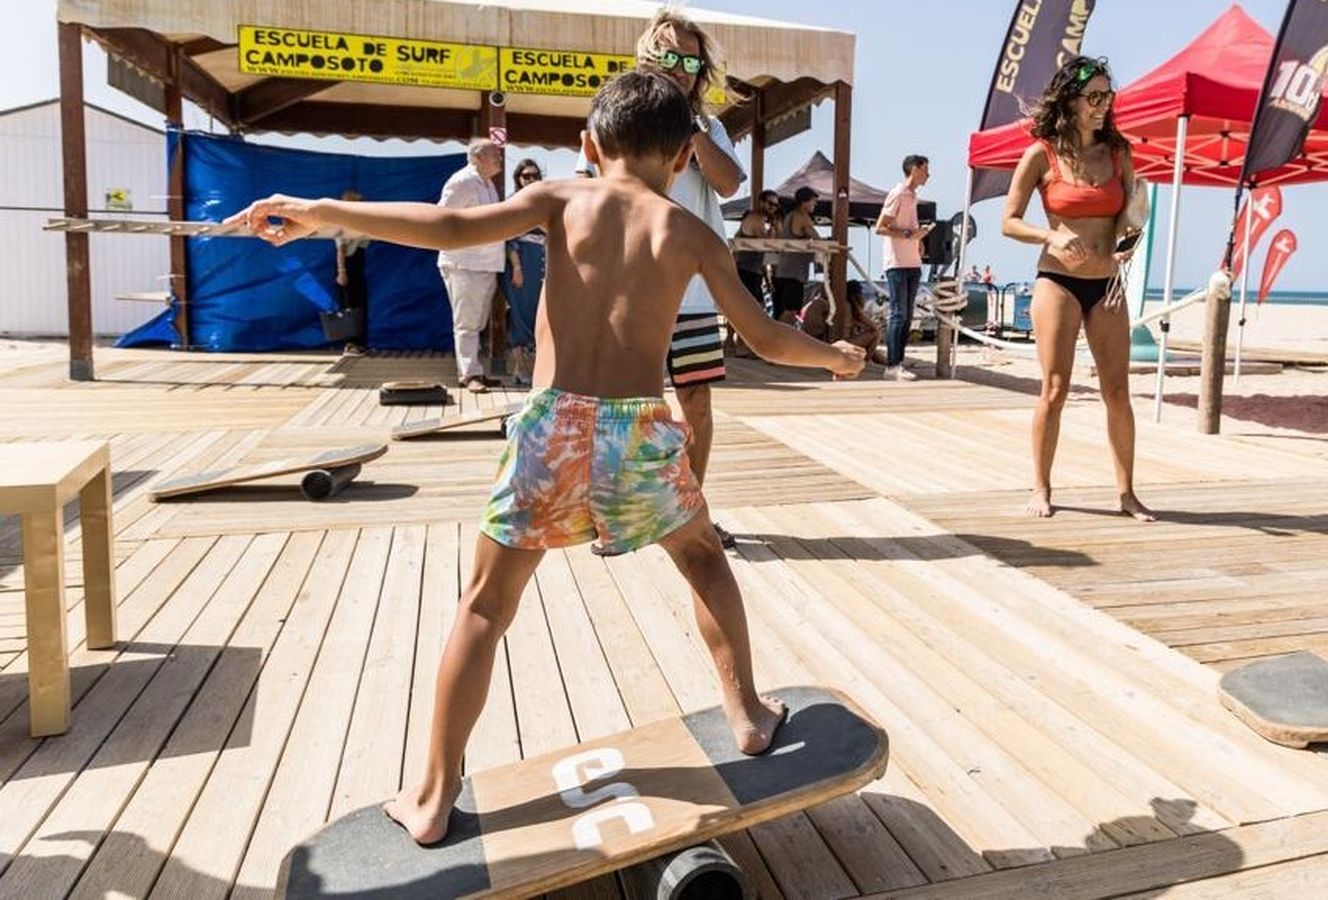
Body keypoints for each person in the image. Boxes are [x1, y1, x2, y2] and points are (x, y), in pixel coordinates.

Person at [227, 70, 866, 844]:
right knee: (702, 559)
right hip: (637, 430)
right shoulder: (691, 232)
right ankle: (749, 712)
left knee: (485, 607)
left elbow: (449, 230)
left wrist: (320, 212)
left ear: (590, 146)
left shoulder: (563, 198)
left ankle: (432, 795)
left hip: (551, 428)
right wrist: (832, 357)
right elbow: (763, 338)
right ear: (680, 162)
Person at [1000, 55, 1153, 522]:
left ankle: (1127, 493)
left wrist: (1130, 239)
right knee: (1055, 388)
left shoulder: (1118, 153)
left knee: (1117, 390)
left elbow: (1132, 214)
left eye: (1108, 96)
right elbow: (1008, 222)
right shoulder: (1040, 154)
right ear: (1070, 99)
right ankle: (1042, 486)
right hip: (1058, 281)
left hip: (1107, 284)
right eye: (1094, 97)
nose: (1103, 105)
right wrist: (1051, 235)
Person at [639, 8, 745, 549]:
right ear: (647, 56)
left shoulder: (711, 126)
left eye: (690, 59)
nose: (679, 67)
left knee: (697, 405)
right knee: (627, 407)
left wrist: (695, 124)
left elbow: (728, 184)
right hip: (633, 293)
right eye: (669, 55)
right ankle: (628, 512)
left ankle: (689, 512)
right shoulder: (625, 118)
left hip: (696, 296)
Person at [438, 138, 507, 393]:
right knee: (466, 323)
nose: (499, 159)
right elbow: (442, 218)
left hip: (486, 263)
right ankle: (469, 375)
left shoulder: (487, 183)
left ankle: (474, 369)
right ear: (477, 158)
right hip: (464, 262)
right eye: (494, 155)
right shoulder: (462, 182)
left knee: (477, 322)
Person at [875, 154, 932, 381]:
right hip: (897, 263)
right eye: (926, 169)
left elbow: (908, 227)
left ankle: (898, 363)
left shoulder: (912, 196)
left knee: (907, 316)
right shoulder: (898, 193)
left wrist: (919, 240)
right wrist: (910, 235)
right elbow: (881, 227)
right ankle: (892, 365)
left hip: (912, 263)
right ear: (915, 169)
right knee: (898, 314)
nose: (929, 174)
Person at [505, 158, 547, 387]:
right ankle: (520, 370)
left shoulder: (544, 203)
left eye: (535, 175)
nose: (531, 179)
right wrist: (517, 268)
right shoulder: (515, 202)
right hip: (520, 266)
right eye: (526, 176)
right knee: (519, 318)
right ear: (518, 179)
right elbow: (509, 239)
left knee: (538, 318)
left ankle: (537, 372)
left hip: (541, 264)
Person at [771, 187, 820, 326]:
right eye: (813, 202)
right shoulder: (802, 216)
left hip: (782, 271)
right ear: (805, 202)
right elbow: (817, 239)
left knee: (780, 312)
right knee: (790, 313)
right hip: (794, 273)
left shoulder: (790, 215)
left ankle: (775, 341)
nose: (815, 205)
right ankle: (778, 341)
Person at [800, 279, 881, 360]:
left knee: (870, 343)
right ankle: (865, 363)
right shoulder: (846, 306)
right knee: (874, 334)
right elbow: (874, 329)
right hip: (832, 346)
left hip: (825, 345)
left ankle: (874, 362)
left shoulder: (825, 303)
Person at [333, 189, 369, 356]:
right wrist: (342, 271)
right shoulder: (342, 225)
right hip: (348, 264)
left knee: (359, 304)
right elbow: (340, 249)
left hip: (357, 263)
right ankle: (350, 344)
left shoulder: (360, 224)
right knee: (348, 305)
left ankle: (360, 343)